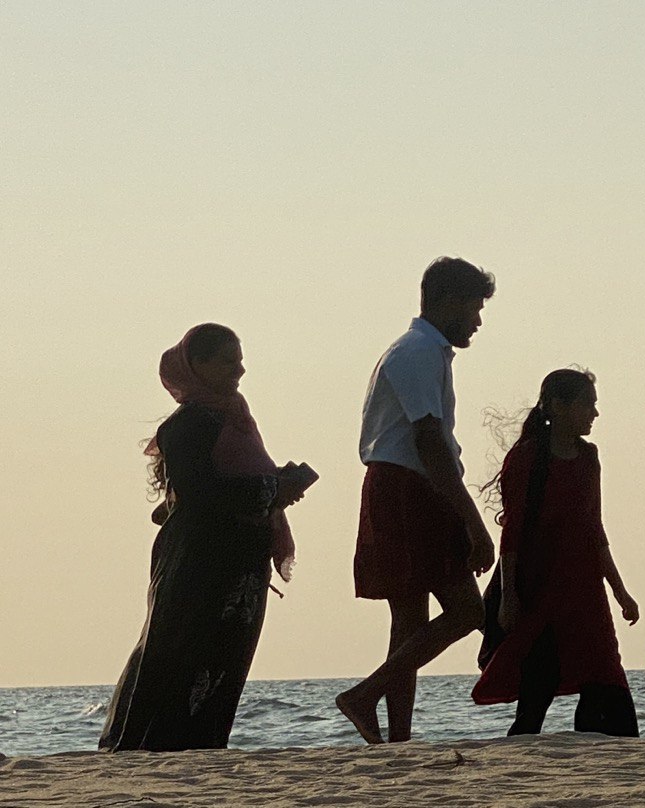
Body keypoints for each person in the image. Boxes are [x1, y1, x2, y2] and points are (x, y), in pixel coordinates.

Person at [100, 323, 311, 752]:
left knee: (226, 655)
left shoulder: (232, 415)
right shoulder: (190, 423)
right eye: (227, 361)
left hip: (238, 557)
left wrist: (276, 487)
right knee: (179, 648)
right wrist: (272, 490)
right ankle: (153, 744)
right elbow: (199, 493)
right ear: (197, 366)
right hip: (200, 558)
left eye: (240, 359)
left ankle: (202, 742)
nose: (240, 370)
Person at [336, 257, 497, 744]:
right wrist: (472, 522)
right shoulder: (419, 352)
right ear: (448, 302)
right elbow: (429, 440)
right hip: (412, 487)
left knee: (409, 619)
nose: (477, 320)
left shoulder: (421, 351)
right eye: (473, 308)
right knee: (469, 611)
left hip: (401, 485)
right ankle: (366, 696)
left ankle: (398, 735)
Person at [470, 369, 641, 736]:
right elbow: (512, 532)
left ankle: (601, 755)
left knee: (605, 675)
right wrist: (509, 596)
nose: (595, 413)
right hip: (538, 587)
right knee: (538, 685)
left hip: (584, 587)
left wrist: (620, 590)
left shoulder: (588, 457)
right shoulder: (527, 458)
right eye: (587, 404)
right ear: (559, 406)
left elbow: (595, 529)